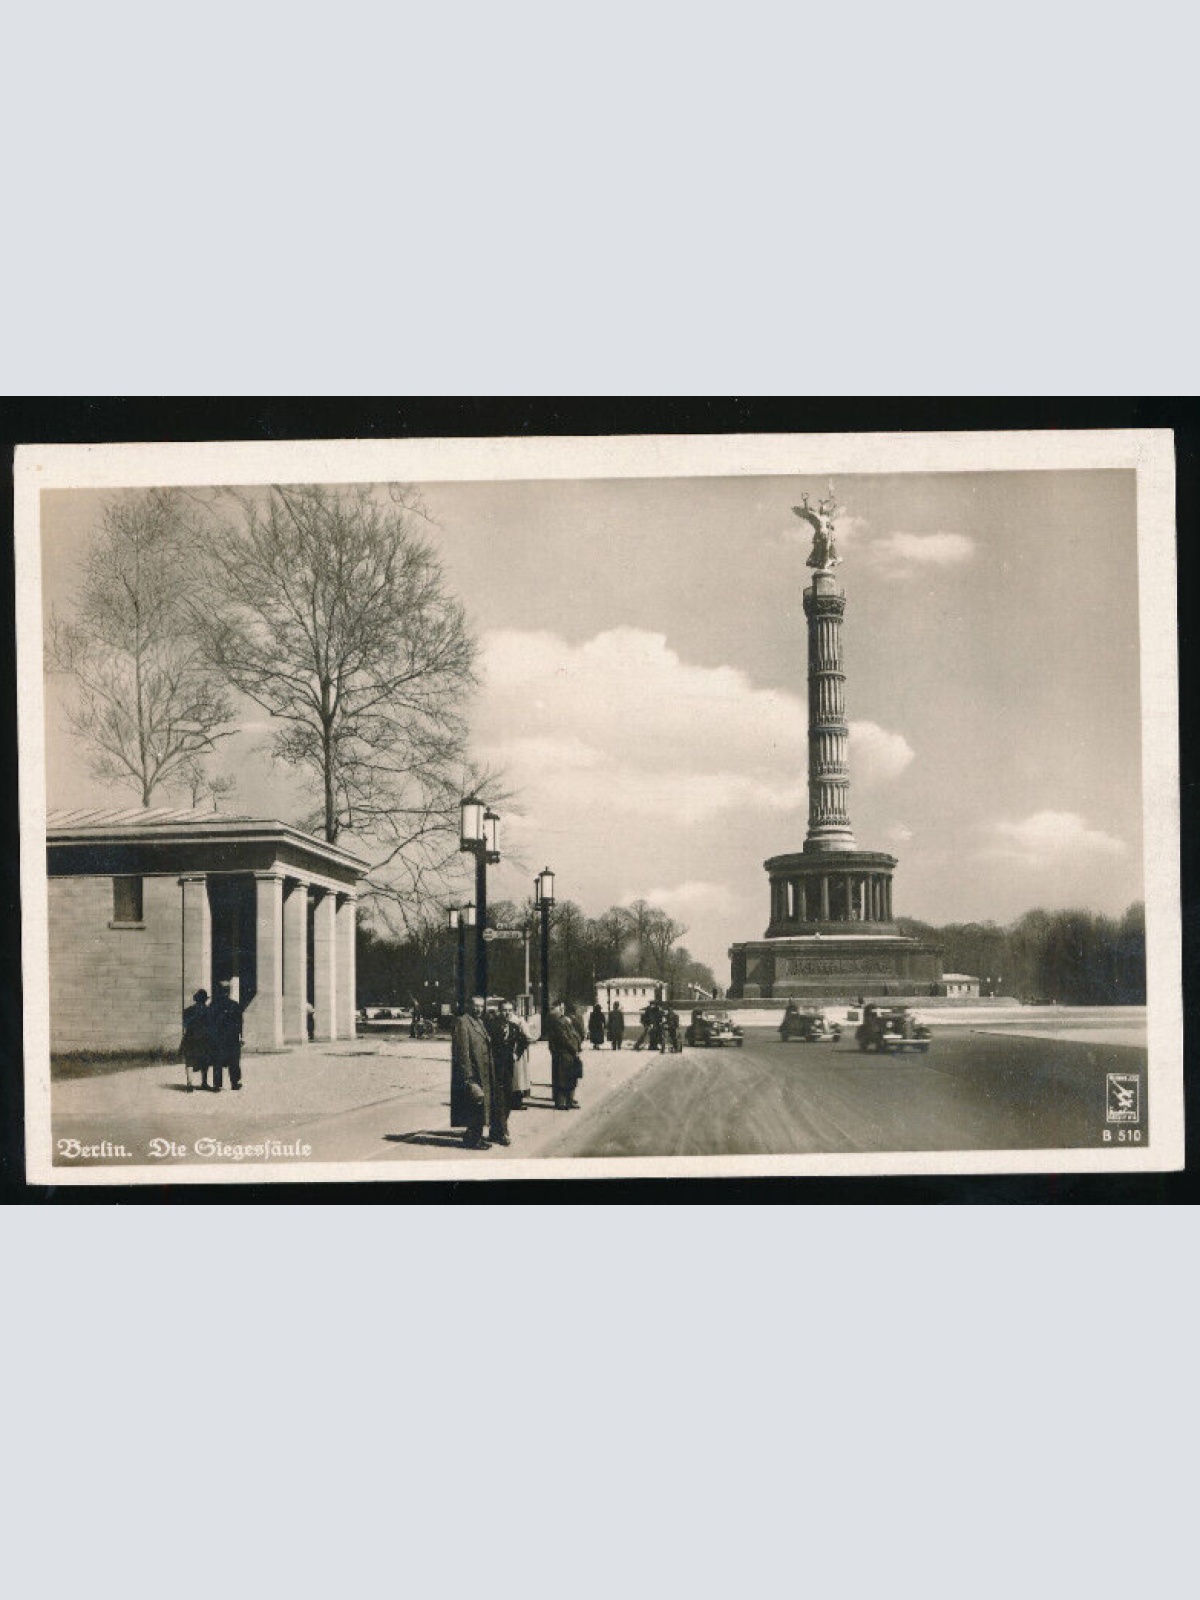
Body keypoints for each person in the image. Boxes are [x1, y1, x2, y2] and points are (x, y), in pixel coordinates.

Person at [451, 996, 500, 1149]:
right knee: (475, 1105)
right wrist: (468, 1078)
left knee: (481, 1106)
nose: (478, 1009)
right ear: (469, 1006)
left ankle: (476, 1136)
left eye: (481, 1006)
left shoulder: (479, 1021)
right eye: (475, 1006)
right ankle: (472, 1139)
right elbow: (462, 1052)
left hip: (483, 1070)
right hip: (474, 1072)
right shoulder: (463, 1022)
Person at [487, 1000, 529, 1123]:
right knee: (498, 1098)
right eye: (505, 1010)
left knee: (507, 1097)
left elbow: (524, 1041)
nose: (507, 1013)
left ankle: (502, 1124)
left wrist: (516, 1054)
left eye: (510, 1010)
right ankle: (500, 1127)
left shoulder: (514, 1027)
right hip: (495, 1066)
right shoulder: (492, 1026)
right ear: (500, 1011)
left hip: (509, 1067)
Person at [545, 1000, 583, 1110]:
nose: (562, 1009)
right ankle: (562, 1102)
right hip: (564, 1052)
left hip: (568, 1052)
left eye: (563, 1007)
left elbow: (573, 1035)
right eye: (560, 1007)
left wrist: (577, 1046)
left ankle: (568, 1101)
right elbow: (564, 1038)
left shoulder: (563, 1020)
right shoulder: (558, 1020)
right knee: (563, 1078)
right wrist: (574, 1049)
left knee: (569, 1077)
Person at [208, 980, 243, 1092]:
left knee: (218, 1060)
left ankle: (217, 1085)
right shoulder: (234, 1005)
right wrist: (241, 1036)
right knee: (234, 1060)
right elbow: (239, 1023)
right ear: (229, 991)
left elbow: (210, 1023)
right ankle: (234, 1083)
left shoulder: (213, 1005)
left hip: (219, 1037)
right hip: (231, 1037)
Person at [181, 988, 212, 1091]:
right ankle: (204, 1083)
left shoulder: (188, 1010)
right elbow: (211, 1026)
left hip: (190, 1038)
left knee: (189, 1060)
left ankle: (189, 1084)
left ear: (196, 999)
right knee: (205, 1060)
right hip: (204, 1039)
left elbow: (185, 1024)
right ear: (205, 1000)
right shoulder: (209, 1011)